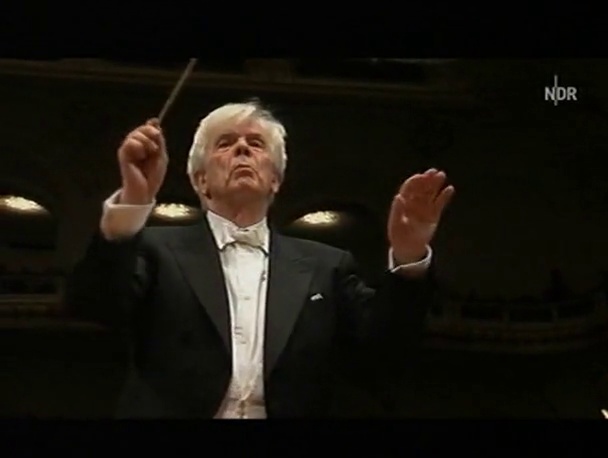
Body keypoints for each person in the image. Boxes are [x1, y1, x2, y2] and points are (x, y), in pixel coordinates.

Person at [65, 100, 455, 418]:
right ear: (200, 180)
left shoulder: (328, 266)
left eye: (256, 143)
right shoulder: (154, 250)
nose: (242, 149)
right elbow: (93, 305)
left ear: (275, 180)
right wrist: (133, 202)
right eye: (225, 143)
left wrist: (409, 256)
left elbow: (383, 358)